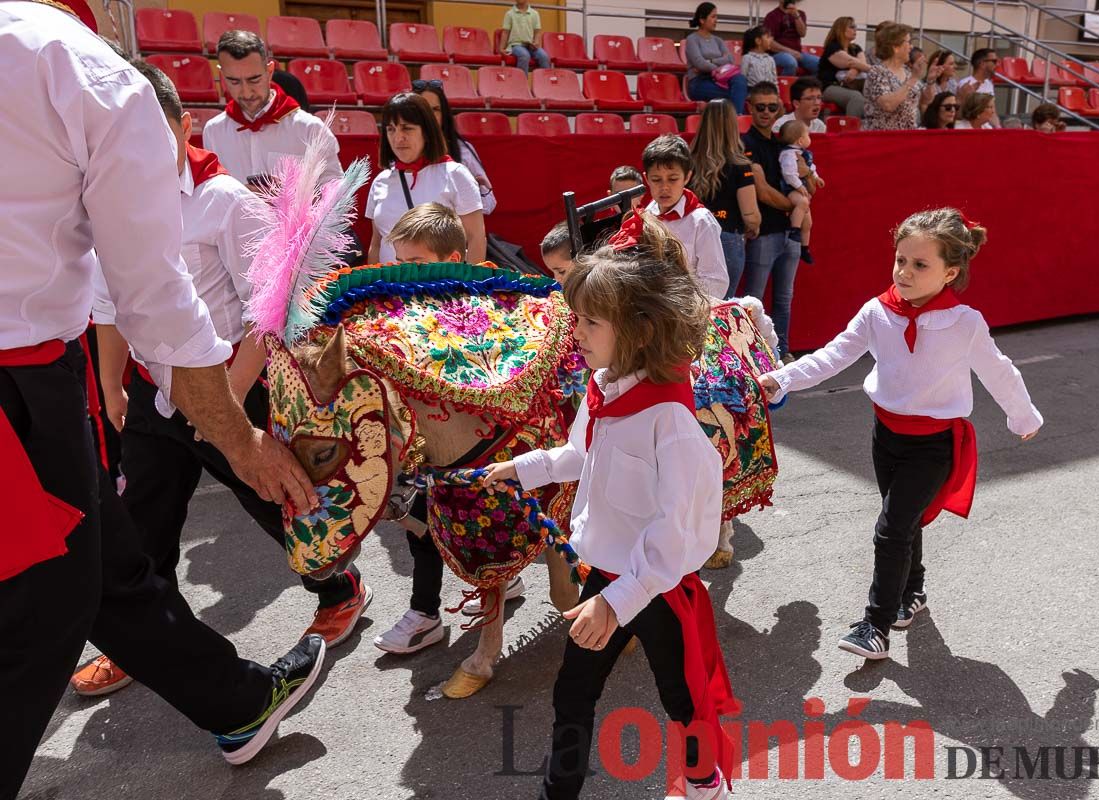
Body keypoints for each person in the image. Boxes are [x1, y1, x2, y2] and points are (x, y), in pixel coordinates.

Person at [0, 3, 326, 795]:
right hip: (28, 381)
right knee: (46, 613)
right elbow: (149, 297)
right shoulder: (88, 73)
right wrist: (238, 439)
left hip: (63, 374)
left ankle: (239, 701)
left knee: (107, 567)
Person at [75, 63, 372, 698]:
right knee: (143, 522)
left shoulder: (225, 201)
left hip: (232, 383)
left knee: (271, 502)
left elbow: (269, 315)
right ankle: (146, 644)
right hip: (160, 394)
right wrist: (111, 384)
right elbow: (107, 304)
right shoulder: (111, 202)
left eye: (155, 131)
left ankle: (338, 586)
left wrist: (229, 404)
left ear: (184, 125)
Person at [482, 217, 735, 800]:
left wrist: (615, 603)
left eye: (590, 321)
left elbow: (677, 539)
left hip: (654, 586)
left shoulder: (670, 423)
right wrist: (522, 469)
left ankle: (703, 783)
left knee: (682, 697)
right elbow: (579, 452)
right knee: (573, 693)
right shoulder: (603, 388)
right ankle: (558, 791)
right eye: (574, 317)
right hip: (602, 575)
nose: (575, 331)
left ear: (640, 330)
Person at [758, 208, 1043, 660]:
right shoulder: (877, 312)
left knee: (890, 531)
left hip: (934, 445)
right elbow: (834, 355)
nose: (904, 272)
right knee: (904, 520)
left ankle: (876, 624)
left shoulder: (964, 322)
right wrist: (784, 377)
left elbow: (999, 371)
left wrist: (1022, 416)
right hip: (885, 434)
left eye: (920, 265)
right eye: (900, 261)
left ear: (950, 272)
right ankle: (914, 591)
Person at [369, 203, 527, 653]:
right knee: (421, 525)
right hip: (424, 445)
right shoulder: (400, 308)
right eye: (399, 262)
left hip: (476, 446)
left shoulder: (481, 308)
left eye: (416, 262)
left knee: (465, 525)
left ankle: (429, 611)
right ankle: (428, 612)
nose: (404, 272)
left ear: (453, 261)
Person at [203, 30, 342, 191]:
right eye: (234, 81)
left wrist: (289, 197)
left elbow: (337, 198)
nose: (246, 92)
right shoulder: (214, 131)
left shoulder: (310, 129)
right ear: (222, 75)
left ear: (269, 72)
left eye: (254, 79)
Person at [365, 93, 485, 265]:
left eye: (407, 128)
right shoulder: (380, 181)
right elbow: (376, 244)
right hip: (389, 288)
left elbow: (476, 238)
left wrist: (469, 287)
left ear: (427, 132)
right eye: (391, 129)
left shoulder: (456, 174)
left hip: (441, 288)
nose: (398, 138)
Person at [742, 81, 803, 359]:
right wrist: (795, 204)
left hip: (789, 234)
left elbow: (805, 181)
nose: (766, 112)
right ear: (749, 108)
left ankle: (783, 353)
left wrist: (807, 178)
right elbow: (762, 192)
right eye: (760, 107)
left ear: (779, 108)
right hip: (763, 233)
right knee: (752, 301)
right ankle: (752, 357)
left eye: (772, 106)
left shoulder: (784, 143)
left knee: (784, 299)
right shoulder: (746, 143)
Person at [641, 134, 729, 298]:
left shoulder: (701, 221)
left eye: (673, 179)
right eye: (656, 179)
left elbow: (716, 281)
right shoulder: (646, 216)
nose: (664, 187)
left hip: (687, 312)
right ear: (646, 179)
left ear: (687, 177)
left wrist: (678, 302)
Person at [689, 99, 760, 294]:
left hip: (691, 238)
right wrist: (754, 226)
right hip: (727, 236)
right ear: (731, 124)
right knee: (722, 308)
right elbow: (750, 216)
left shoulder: (687, 162)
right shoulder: (740, 165)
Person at [414, 79, 498, 216]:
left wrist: (467, 193)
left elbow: (490, 202)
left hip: (455, 232)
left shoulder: (463, 149)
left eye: (435, 109)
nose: (429, 115)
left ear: (444, 114)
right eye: (423, 110)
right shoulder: (402, 149)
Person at [685, 2, 748, 115]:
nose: (716, 20)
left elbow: (730, 59)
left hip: (720, 79)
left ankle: (736, 119)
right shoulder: (692, 39)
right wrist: (718, 65)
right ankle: (737, 120)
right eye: (713, 17)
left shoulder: (718, 40)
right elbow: (699, 63)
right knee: (737, 94)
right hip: (700, 82)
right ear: (702, 20)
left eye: (716, 17)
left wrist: (710, 62)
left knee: (740, 80)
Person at [863, 22, 925, 131]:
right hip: (884, 140)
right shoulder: (877, 72)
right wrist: (913, 79)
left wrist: (932, 80)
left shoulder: (908, 72)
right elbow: (888, 105)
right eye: (908, 42)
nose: (911, 47)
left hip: (908, 138)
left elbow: (925, 100)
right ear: (895, 47)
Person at [778, 120, 819, 261]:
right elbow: (789, 174)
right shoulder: (788, 155)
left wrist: (816, 177)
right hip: (790, 189)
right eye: (808, 134)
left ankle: (804, 248)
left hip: (802, 189)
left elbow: (811, 168)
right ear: (801, 140)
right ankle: (794, 230)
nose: (810, 137)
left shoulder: (804, 153)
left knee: (808, 223)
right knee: (802, 202)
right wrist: (800, 187)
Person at [817, 16, 871, 117]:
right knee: (856, 97)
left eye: (855, 27)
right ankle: (851, 129)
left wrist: (854, 70)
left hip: (850, 85)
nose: (855, 29)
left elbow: (862, 63)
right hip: (829, 86)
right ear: (841, 29)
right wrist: (877, 70)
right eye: (851, 27)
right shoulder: (832, 47)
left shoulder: (856, 47)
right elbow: (850, 61)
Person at [499, 0, 550, 74]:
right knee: (524, 55)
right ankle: (522, 83)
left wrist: (536, 43)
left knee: (544, 56)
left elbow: (537, 32)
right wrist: (501, 48)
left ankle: (545, 82)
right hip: (516, 45)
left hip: (531, 46)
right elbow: (505, 32)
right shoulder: (509, 14)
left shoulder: (534, 14)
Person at [957, 48, 1001, 127]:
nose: (997, 65)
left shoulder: (989, 84)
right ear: (982, 64)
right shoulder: (965, 84)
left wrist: (998, 128)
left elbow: (993, 112)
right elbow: (961, 113)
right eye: (994, 61)